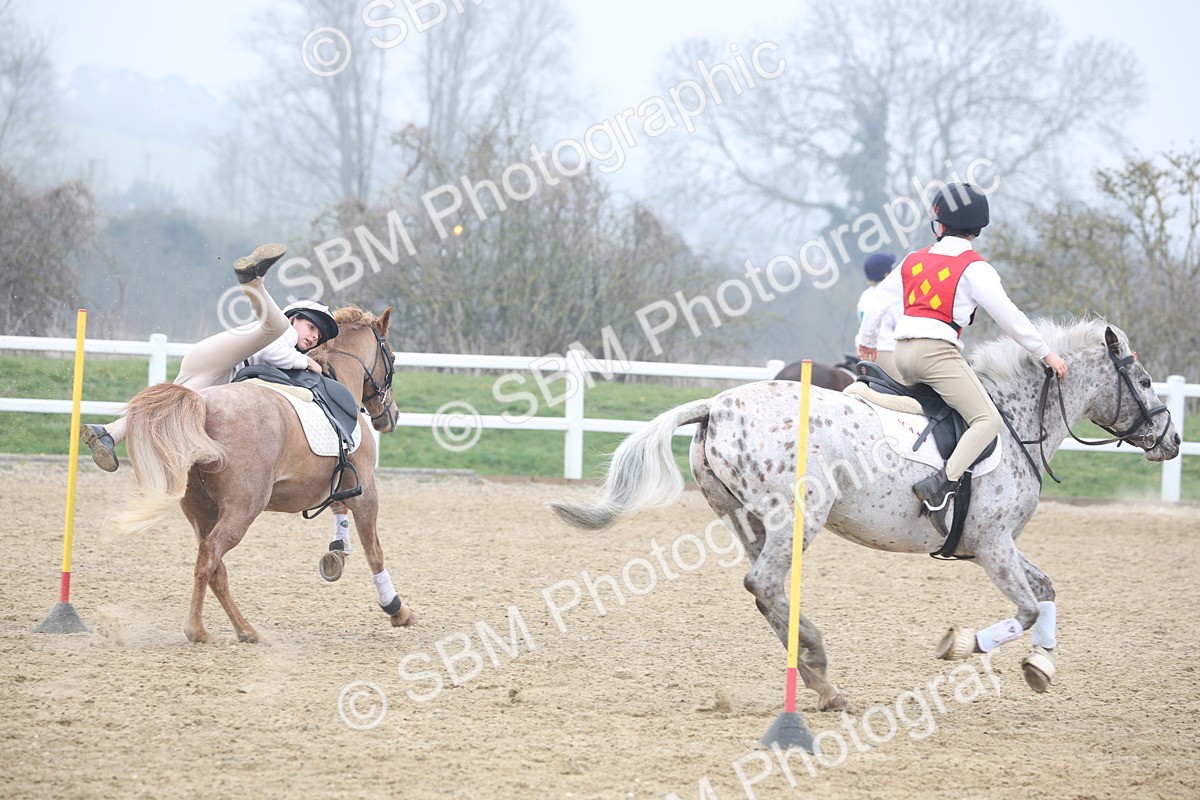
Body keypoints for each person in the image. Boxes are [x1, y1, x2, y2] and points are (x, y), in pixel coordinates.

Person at [857, 183, 1068, 513]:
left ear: (939, 226)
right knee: (988, 421)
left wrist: (866, 343)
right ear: (978, 227)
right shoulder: (976, 269)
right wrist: (1045, 353)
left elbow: (877, 305)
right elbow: (1009, 318)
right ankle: (940, 484)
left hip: (902, 353)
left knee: (940, 409)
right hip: (937, 355)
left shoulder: (913, 259)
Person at [80, 243, 339, 473]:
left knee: (169, 405)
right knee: (276, 326)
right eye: (312, 327)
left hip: (213, 369)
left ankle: (109, 434)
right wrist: (306, 361)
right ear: (295, 317)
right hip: (221, 363)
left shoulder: (288, 341)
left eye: (319, 335)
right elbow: (273, 351)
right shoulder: (287, 336)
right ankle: (252, 281)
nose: (315, 337)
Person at [854, 252, 903, 381]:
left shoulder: (865, 294)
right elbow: (901, 324)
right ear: (886, 274)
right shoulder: (890, 295)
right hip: (884, 350)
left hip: (862, 351)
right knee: (910, 389)